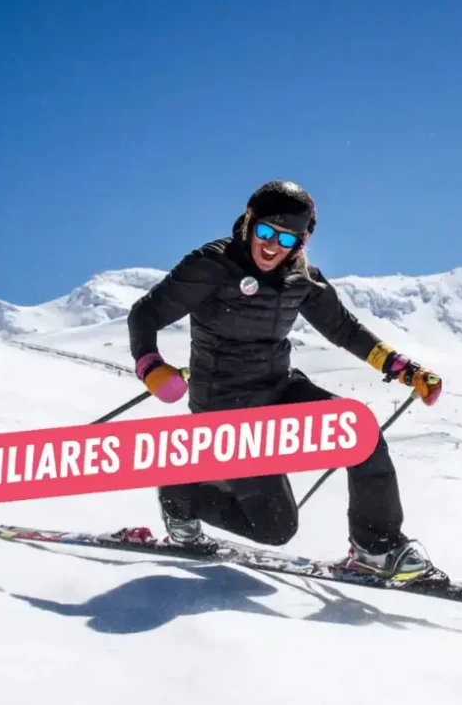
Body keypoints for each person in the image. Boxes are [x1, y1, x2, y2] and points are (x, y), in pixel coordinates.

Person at [126, 179, 443, 578]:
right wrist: (150, 365)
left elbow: (344, 328)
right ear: (249, 221)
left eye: (287, 238)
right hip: (225, 408)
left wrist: (404, 369)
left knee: (359, 431)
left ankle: (377, 548)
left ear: (302, 242)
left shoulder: (301, 278)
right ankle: (180, 492)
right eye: (265, 231)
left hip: (278, 389)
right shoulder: (213, 265)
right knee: (275, 530)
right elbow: (146, 312)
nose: (272, 246)